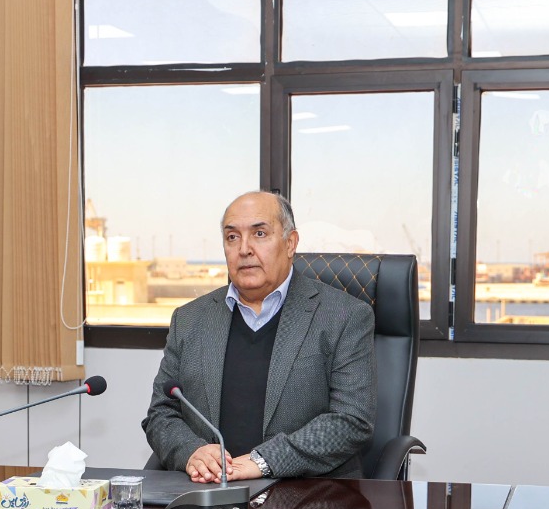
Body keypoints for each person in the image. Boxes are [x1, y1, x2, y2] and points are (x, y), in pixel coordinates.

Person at [143, 190, 375, 484]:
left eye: (260, 234)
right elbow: (161, 413)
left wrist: (263, 461)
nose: (244, 249)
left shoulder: (344, 316)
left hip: (307, 492)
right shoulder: (189, 319)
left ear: (290, 243)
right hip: (209, 491)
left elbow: (351, 420)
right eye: (232, 237)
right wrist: (192, 452)